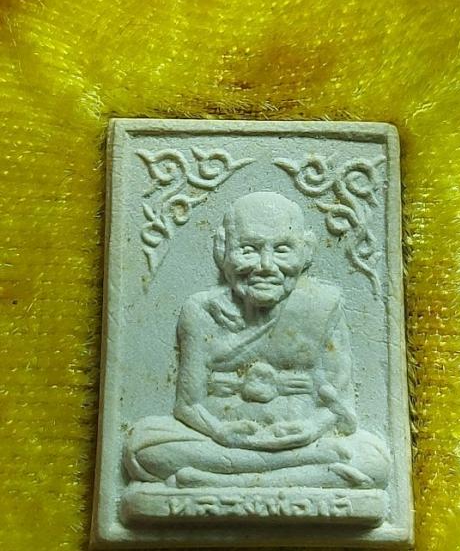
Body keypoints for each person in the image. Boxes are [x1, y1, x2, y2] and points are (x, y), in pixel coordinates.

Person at [124, 191, 389, 489]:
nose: (266, 265)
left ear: (307, 251)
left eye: (283, 250)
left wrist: (312, 429)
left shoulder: (323, 306)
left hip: (301, 441)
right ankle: (292, 477)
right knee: (144, 447)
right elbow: (188, 405)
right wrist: (220, 432)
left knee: (373, 459)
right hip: (219, 440)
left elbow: (340, 407)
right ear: (222, 249)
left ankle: (215, 482)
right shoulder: (202, 310)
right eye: (248, 250)